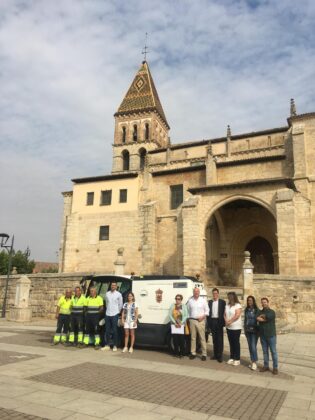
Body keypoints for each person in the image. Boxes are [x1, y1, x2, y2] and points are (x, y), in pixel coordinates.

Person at [257, 297, 279, 375]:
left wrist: (262, 318)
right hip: (262, 335)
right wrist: (263, 318)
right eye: (262, 302)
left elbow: (268, 317)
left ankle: (275, 367)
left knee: (273, 352)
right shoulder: (259, 311)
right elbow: (258, 318)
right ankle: (266, 366)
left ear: (268, 303)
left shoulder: (272, 312)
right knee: (265, 352)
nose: (263, 303)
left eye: (265, 302)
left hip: (271, 335)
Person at [187, 287, 209, 361]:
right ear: (193, 292)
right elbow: (188, 310)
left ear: (199, 293)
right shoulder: (190, 301)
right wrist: (189, 318)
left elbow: (207, 311)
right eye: (194, 291)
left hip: (200, 321)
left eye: (197, 292)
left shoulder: (203, 300)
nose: (196, 293)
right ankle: (193, 353)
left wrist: (203, 317)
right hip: (192, 321)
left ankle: (204, 354)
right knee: (193, 338)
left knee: (202, 338)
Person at [102, 281, 123, 351]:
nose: (113, 286)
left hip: (115, 314)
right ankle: (107, 345)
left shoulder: (119, 294)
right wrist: (108, 310)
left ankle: (115, 345)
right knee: (107, 330)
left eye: (114, 285)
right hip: (108, 314)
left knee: (115, 330)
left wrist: (118, 312)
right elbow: (107, 303)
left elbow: (120, 305)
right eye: (112, 285)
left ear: (116, 286)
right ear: (110, 286)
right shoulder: (107, 294)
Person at [207, 288, 226, 363]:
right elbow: (208, 313)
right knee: (214, 339)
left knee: (220, 339)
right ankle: (215, 354)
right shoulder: (210, 302)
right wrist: (209, 323)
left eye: (216, 293)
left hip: (219, 321)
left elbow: (225, 312)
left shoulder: (222, 302)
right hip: (212, 321)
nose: (215, 294)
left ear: (218, 294)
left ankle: (220, 356)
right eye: (213, 293)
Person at [224, 291, 242, 366]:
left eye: (231, 296)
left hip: (236, 327)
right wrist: (226, 320)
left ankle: (237, 359)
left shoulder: (237, 305)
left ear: (234, 297)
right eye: (228, 296)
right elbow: (224, 314)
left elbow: (237, 315)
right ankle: (231, 357)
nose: (229, 298)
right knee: (231, 342)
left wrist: (230, 321)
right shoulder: (227, 305)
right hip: (229, 327)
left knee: (236, 343)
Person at [244, 295, 259, 370]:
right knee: (250, 346)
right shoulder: (246, 309)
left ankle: (254, 362)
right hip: (248, 330)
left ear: (253, 301)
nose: (249, 302)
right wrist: (244, 329)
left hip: (254, 331)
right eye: (248, 300)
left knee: (253, 346)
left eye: (250, 300)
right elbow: (245, 320)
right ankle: (252, 361)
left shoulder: (257, 310)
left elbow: (259, 320)